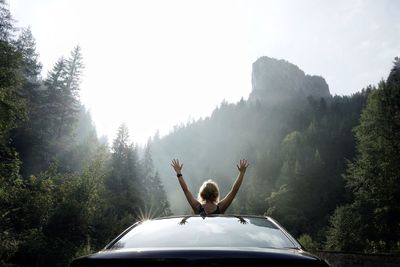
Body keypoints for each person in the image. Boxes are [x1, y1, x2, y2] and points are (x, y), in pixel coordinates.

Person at [171, 159, 249, 215]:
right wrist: (242, 173)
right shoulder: (221, 207)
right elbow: (234, 191)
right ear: (216, 193)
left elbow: (186, 190)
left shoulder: (197, 207)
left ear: (202, 193)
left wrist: (179, 173)